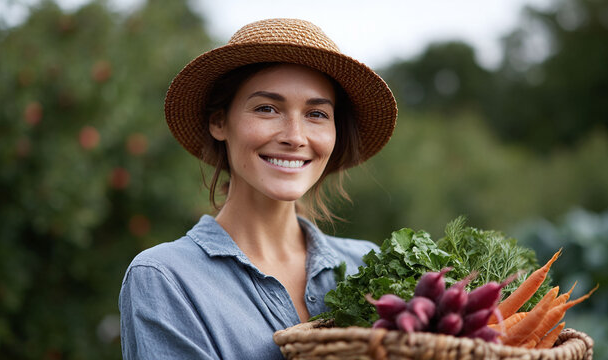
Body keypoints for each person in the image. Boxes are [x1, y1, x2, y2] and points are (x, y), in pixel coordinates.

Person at [119, 18, 398, 359]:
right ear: (219, 121)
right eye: (267, 108)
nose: (294, 137)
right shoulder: (166, 278)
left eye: (316, 114)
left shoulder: (367, 266)